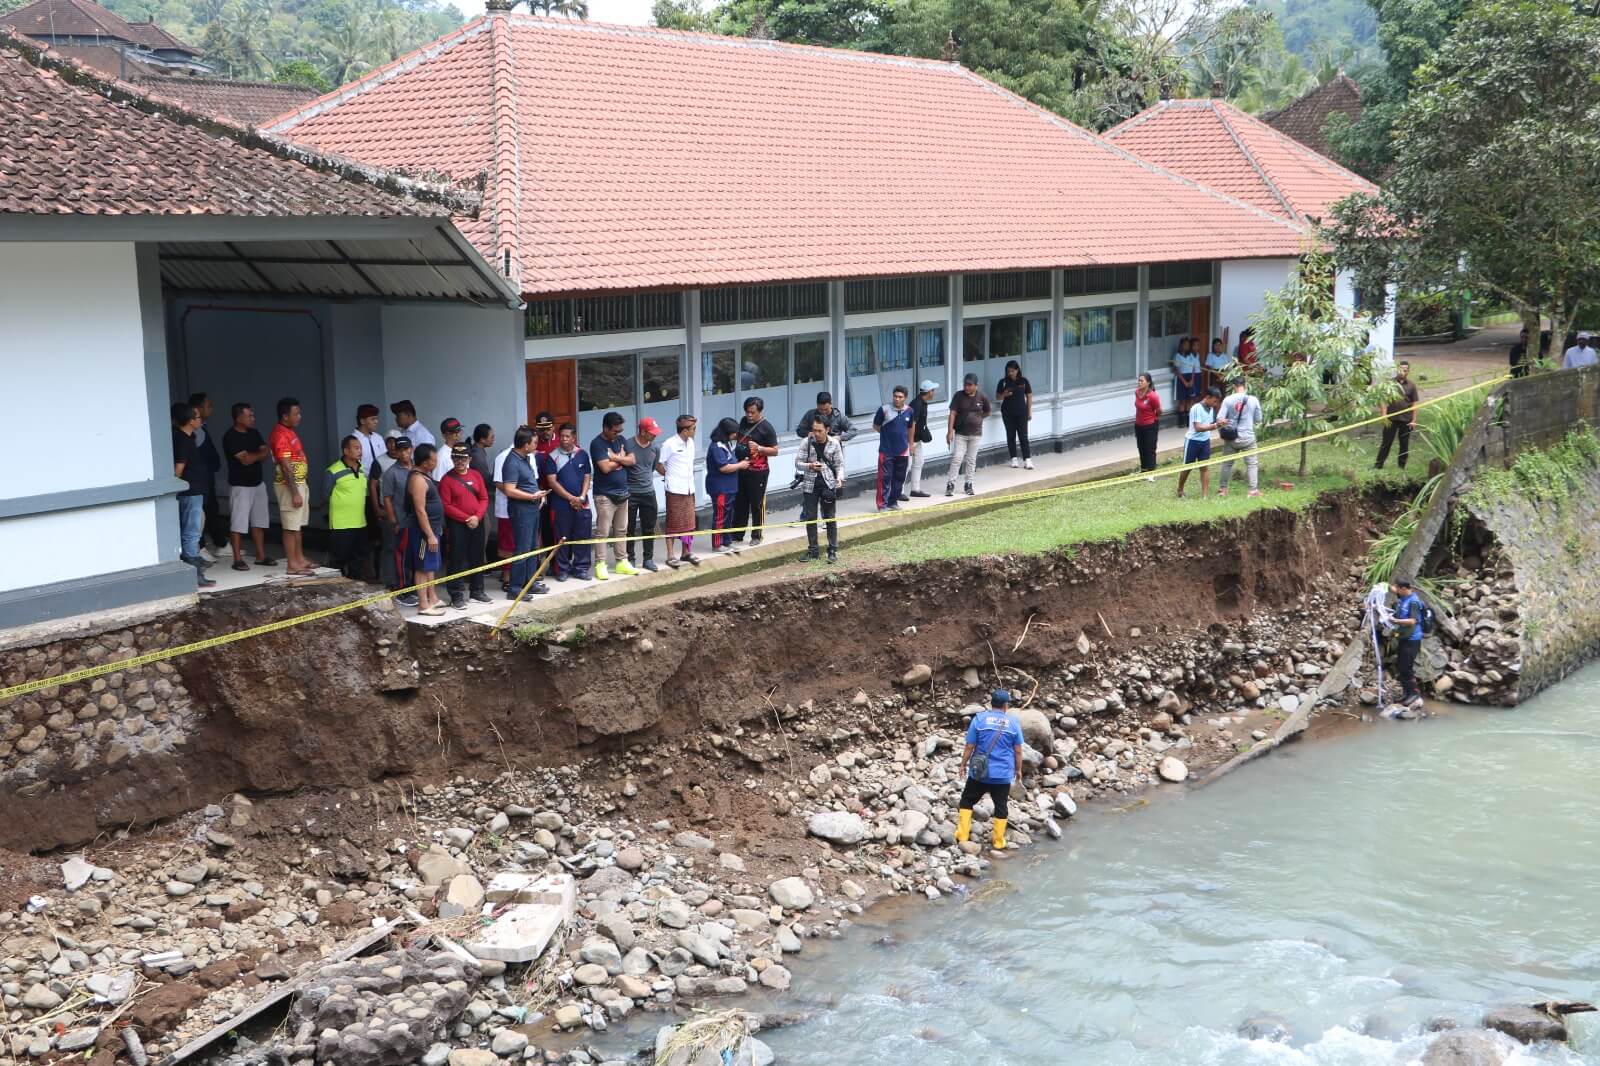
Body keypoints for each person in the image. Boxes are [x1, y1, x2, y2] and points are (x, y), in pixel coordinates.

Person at [955, 689, 1025, 857]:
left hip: (979, 772)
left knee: (967, 800)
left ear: (991, 703)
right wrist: (1018, 770)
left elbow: (969, 746)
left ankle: (963, 835)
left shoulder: (979, 719)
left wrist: (963, 765)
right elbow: (1018, 752)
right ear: (1006, 705)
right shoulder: (1013, 723)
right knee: (1001, 805)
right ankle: (998, 841)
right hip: (1001, 775)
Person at [221, 402, 274, 571]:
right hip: (240, 486)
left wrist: (255, 455)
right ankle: (237, 559)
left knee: (259, 522)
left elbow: (267, 453)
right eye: (249, 415)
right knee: (238, 523)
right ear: (238, 418)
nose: (253, 418)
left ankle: (260, 555)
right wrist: (259, 454)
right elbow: (246, 459)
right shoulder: (230, 437)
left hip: (258, 483)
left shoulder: (254, 433)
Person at [498, 426, 550, 598]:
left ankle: (531, 582)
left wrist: (539, 495)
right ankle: (515, 588)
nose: (537, 445)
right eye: (534, 442)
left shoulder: (525, 458)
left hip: (532, 507)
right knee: (522, 549)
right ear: (526, 444)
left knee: (533, 546)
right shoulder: (511, 461)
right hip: (521, 510)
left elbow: (529, 482)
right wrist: (531, 496)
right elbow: (510, 490)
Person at [538, 423, 594, 581]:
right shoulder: (552, 456)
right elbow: (552, 482)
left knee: (582, 537)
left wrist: (581, 497)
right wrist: (571, 498)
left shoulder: (582, 454)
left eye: (567, 436)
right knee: (561, 538)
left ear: (573, 437)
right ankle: (562, 570)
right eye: (561, 436)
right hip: (561, 505)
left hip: (582, 504)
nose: (564, 439)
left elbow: (587, 477)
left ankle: (581, 568)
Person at [439, 443, 490, 607]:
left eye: (463, 458)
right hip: (458, 525)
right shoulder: (447, 479)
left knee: (477, 556)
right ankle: (456, 595)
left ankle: (477, 590)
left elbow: (484, 498)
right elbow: (446, 505)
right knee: (456, 558)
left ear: (469, 459)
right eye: (456, 458)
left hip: (477, 522)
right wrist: (467, 518)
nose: (459, 461)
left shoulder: (476, 475)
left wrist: (477, 516)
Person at [589, 412, 638, 579]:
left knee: (621, 530)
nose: (618, 434)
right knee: (603, 531)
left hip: (623, 493)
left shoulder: (621, 440)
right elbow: (604, 467)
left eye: (620, 430)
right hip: (605, 495)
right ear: (605, 428)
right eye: (615, 431)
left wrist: (615, 457)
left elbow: (632, 460)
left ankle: (621, 562)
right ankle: (600, 563)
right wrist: (622, 458)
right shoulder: (597, 444)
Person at [171, 401, 215, 588]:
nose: (200, 420)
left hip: (194, 493)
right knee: (191, 533)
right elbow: (178, 470)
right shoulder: (182, 440)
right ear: (189, 421)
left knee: (192, 531)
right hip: (189, 494)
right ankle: (193, 574)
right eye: (198, 417)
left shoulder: (187, 438)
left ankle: (194, 568)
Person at [270, 397, 313, 575]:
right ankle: (292, 565)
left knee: (298, 524)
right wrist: (294, 492)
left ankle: (300, 559)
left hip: (299, 483)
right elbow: (286, 467)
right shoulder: (280, 434)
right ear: (285, 416)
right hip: (289, 486)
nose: (299, 416)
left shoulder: (290, 432)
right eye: (296, 413)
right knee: (290, 526)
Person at [405, 444, 446, 615]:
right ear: (425, 462)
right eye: (433, 460)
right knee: (422, 567)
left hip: (433, 529)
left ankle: (433, 597)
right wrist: (429, 535)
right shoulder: (417, 480)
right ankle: (423, 604)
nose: (436, 463)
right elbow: (420, 510)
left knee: (430, 566)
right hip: (423, 532)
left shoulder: (424, 476)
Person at [797, 415, 844, 562]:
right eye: (814, 430)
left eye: (819, 430)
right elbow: (798, 463)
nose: (816, 434)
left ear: (827, 430)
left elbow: (839, 464)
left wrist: (840, 478)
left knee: (830, 517)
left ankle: (832, 550)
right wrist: (810, 466)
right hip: (810, 484)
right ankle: (813, 551)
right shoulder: (806, 442)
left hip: (828, 484)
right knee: (810, 518)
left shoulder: (834, 444)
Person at [732, 397, 777, 546]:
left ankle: (757, 535)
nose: (749, 415)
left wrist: (760, 448)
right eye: (747, 412)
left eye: (752, 412)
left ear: (760, 411)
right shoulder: (743, 422)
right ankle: (737, 533)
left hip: (758, 471)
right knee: (740, 502)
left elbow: (775, 451)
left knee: (756, 504)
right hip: (742, 468)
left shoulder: (767, 427)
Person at [659, 414, 702, 568]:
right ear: (685, 430)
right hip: (675, 490)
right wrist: (669, 476)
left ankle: (686, 552)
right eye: (693, 429)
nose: (695, 431)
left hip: (689, 488)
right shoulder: (669, 444)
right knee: (673, 522)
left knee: (689, 523)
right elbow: (659, 464)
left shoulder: (690, 442)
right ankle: (670, 555)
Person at [325, 435, 369, 580]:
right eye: (356, 448)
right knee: (338, 561)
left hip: (360, 523)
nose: (360, 451)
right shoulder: (333, 471)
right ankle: (336, 592)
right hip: (341, 524)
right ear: (346, 451)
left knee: (358, 560)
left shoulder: (362, 470)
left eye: (360, 448)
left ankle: (355, 589)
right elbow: (326, 495)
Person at [624, 418, 663, 572]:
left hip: (648, 492)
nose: (654, 436)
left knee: (649, 527)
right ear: (643, 431)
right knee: (630, 528)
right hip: (630, 493)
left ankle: (648, 558)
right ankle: (630, 558)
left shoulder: (655, 448)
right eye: (652, 433)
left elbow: (652, 467)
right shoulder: (628, 445)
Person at [380, 437, 416, 603]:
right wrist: (393, 521)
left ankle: (413, 588)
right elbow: (387, 499)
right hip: (401, 522)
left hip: (417, 522)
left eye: (407, 449)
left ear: (412, 449)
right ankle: (402, 590)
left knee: (414, 558)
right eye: (401, 450)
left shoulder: (417, 468)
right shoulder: (391, 473)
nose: (404, 453)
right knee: (401, 558)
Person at [188, 392, 224, 555]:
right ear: (197, 409)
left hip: (207, 477)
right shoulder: (191, 433)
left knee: (210, 509)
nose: (211, 409)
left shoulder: (202, 428)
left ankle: (219, 544)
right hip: (198, 480)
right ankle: (200, 548)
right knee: (199, 512)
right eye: (208, 406)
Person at [1215, 379, 1264, 498]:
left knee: (1227, 464)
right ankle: (1252, 491)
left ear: (1233, 386)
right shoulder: (1253, 400)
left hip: (1231, 438)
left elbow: (1220, 419)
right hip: (1248, 438)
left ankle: (1223, 489)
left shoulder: (1228, 400)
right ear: (1246, 385)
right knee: (1252, 464)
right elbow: (1258, 419)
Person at [945, 373, 991, 497]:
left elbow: (988, 411)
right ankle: (950, 484)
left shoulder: (982, 396)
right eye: (965, 384)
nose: (967, 387)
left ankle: (968, 484)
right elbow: (952, 414)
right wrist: (950, 431)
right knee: (957, 459)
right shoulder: (958, 396)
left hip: (976, 434)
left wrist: (979, 418)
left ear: (976, 385)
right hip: (961, 433)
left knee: (971, 460)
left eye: (970, 385)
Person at [706, 417, 748, 552]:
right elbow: (723, 467)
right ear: (726, 432)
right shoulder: (716, 447)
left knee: (729, 515)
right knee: (720, 515)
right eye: (734, 432)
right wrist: (740, 465)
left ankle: (727, 541)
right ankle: (717, 544)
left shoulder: (727, 444)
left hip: (730, 487)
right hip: (720, 488)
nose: (736, 435)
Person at [872, 385, 915, 510]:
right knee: (884, 478)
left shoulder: (910, 411)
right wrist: (887, 435)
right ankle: (882, 505)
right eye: (895, 396)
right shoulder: (884, 410)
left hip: (902, 451)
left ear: (905, 398)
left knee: (899, 478)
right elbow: (876, 426)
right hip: (886, 451)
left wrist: (911, 445)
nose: (897, 399)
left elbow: (911, 427)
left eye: (900, 397)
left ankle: (893, 502)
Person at [1175, 387, 1221, 498]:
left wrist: (1219, 424)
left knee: (1204, 468)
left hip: (1205, 441)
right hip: (1193, 441)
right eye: (1214, 401)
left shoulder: (1211, 410)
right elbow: (1198, 427)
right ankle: (1180, 490)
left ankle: (1204, 496)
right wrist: (1214, 426)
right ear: (1207, 397)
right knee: (1187, 468)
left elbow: (1209, 424)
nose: (1215, 404)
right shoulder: (1196, 408)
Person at [1375, 360, 1420, 470]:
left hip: (1406, 420)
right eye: (1401, 370)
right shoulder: (1390, 384)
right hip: (1391, 419)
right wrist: (1384, 416)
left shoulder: (1411, 386)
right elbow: (1383, 401)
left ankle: (1401, 466)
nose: (1403, 372)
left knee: (1404, 444)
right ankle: (1378, 465)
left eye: (1405, 370)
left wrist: (1414, 420)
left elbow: (1414, 404)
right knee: (1386, 443)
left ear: (1408, 371)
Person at [532, 413, 561, 578]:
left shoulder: (561, 441)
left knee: (559, 529)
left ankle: (559, 565)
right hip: (540, 494)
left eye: (548, 428)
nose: (545, 432)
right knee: (544, 531)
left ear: (553, 426)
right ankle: (547, 564)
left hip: (559, 493)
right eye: (541, 429)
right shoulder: (533, 443)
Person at [1389, 576, 1425, 709]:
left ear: (1404, 589)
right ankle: (1406, 693)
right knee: (1400, 666)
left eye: (1398, 589)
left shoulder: (1413, 602)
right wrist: (1384, 586)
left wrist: (1396, 621)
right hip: (1404, 638)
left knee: (1407, 667)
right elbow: (1393, 589)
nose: (1396, 591)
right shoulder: (1403, 598)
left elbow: (1412, 621)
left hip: (1412, 639)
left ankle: (1414, 694)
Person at [491, 429, 520, 592]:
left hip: (526, 508)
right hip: (507, 508)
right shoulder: (503, 457)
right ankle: (507, 577)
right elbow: (498, 482)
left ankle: (524, 575)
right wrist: (516, 494)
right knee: (508, 544)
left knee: (524, 542)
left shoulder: (530, 456)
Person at [995, 360, 1033, 469]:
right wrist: (1004, 394)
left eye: (1012, 371)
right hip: (1007, 413)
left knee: (1023, 436)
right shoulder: (1002, 382)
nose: (1010, 373)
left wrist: (1029, 411)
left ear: (1017, 370)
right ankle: (1014, 459)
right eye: (1008, 371)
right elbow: (997, 397)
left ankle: (1027, 460)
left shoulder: (1023, 381)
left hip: (1022, 413)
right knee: (1010, 435)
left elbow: (1029, 396)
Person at [469, 424, 497, 561]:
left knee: (486, 528)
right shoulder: (477, 456)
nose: (493, 439)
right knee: (484, 530)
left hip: (479, 498)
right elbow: (485, 479)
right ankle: (478, 563)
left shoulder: (479, 451)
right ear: (482, 439)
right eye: (491, 437)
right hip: (476, 500)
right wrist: (498, 477)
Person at [908, 380, 936, 497]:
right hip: (910, 441)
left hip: (917, 440)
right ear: (929, 392)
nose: (934, 393)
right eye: (933, 391)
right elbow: (911, 424)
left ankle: (915, 489)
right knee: (905, 466)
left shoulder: (923, 402)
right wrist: (910, 444)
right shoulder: (917, 404)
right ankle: (897, 492)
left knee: (919, 462)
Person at [793, 390, 857, 442]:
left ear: (831, 405)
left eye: (826, 409)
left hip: (834, 451)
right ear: (817, 405)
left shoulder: (839, 417)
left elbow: (854, 431)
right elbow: (799, 430)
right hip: (814, 450)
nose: (823, 412)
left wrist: (840, 437)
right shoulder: (810, 414)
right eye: (821, 409)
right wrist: (809, 433)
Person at [1133, 372, 1162, 474]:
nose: (1139, 382)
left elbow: (1159, 411)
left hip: (1150, 426)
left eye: (1142, 381)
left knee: (1150, 448)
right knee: (1141, 447)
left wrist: (1153, 420)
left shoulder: (1153, 396)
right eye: (1139, 380)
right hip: (1138, 425)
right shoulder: (1137, 392)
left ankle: (1151, 471)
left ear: (1148, 382)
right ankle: (1144, 469)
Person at [1171, 337, 1201, 428]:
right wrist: (1185, 382)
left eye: (1188, 345)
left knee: (1190, 399)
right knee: (1182, 400)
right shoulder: (1177, 356)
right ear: (1181, 345)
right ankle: (1181, 421)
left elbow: (1193, 368)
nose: (1187, 346)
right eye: (1185, 344)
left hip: (1190, 378)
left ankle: (1189, 420)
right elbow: (1176, 370)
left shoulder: (1190, 356)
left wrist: (1192, 380)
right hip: (1181, 379)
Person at [352, 404, 386, 477]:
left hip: (381, 481)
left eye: (377, 418)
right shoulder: (353, 440)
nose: (376, 421)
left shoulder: (378, 438)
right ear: (362, 421)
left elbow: (385, 460)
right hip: (362, 482)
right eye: (373, 419)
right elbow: (353, 465)